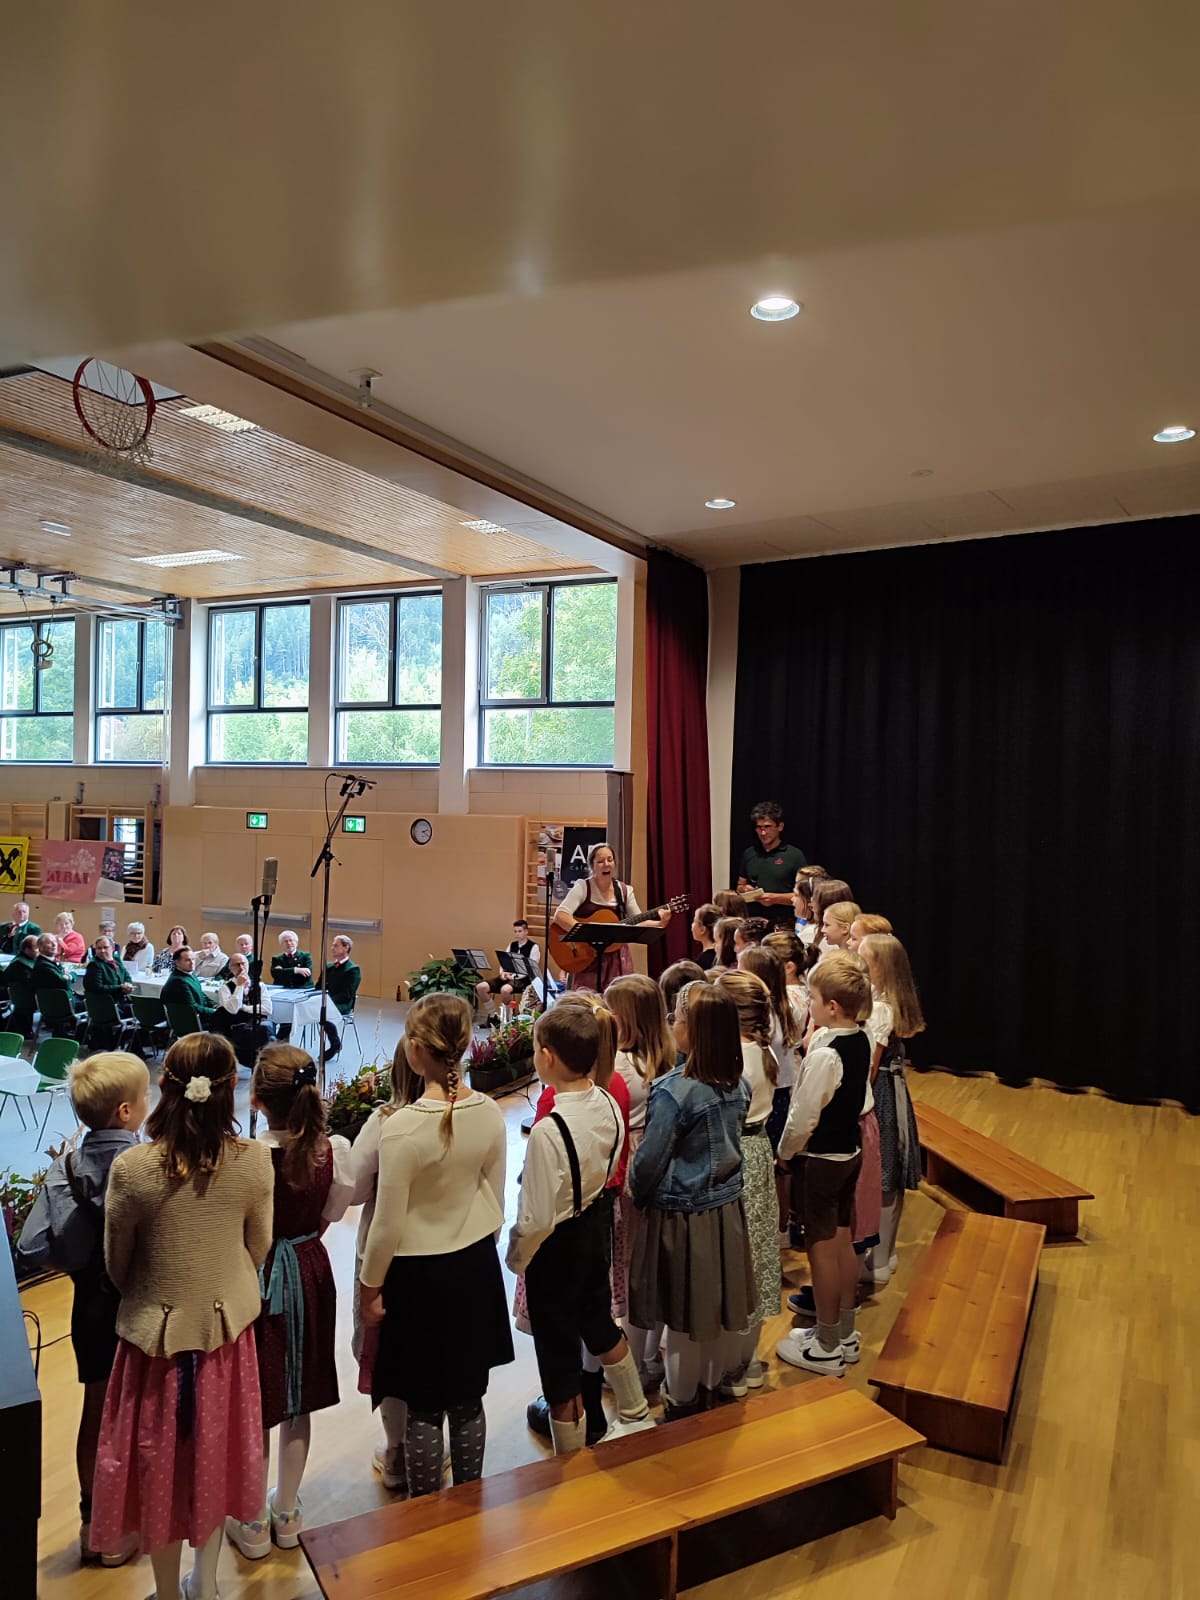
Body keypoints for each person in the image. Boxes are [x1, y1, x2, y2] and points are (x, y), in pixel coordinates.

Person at [88, 1033, 274, 1600]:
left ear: (165, 1087)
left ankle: (168, 1592)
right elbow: (258, 1247)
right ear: (231, 1088)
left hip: (154, 1344)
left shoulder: (132, 1168)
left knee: (160, 1471)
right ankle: (206, 1585)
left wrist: (160, 1292)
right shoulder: (254, 1161)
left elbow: (118, 1263)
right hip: (225, 1340)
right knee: (213, 1462)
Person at [360, 995, 512, 1496]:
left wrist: (369, 1289)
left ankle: (422, 1511)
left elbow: (386, 1225)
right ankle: (469, 1500)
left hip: (417, 1278)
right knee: (468, 1398)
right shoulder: (489, 1111)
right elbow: (494, 1197)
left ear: (415, 1050)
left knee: (423, 1403)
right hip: (474, 1268)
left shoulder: (402, 1126)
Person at [17, 1051, 150, 1568]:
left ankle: (94, 1525)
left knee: (96, 1407)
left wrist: (77, 1258)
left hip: (90, 1307)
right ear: (125, 1111)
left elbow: (31, 1246)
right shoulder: (147, 1162)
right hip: (143, 1302)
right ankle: (139, 1514)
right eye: (144, 1096)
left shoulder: (66, 1166)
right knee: (147, 1407)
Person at [226, 1044, 354, 1559]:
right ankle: (287, 1512)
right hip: (308, 1269)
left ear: (256, 1100)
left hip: (254, 1277)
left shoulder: (244, 1157)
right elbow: (328, 1217)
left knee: (259, 1398)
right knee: (298, 1396)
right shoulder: (332, 1151)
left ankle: (252, 1520)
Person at [507, 1003, 653, 1452]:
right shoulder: (607, 1100)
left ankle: (569, 1460)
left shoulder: (549, 1129)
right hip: (595, 1226)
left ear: (548, 1057)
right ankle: (636, 1412)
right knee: (598, 1320)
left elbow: (535, 1218)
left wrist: (517, 1257)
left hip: (556, 1248)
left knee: (558, 1360)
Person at [629, 982, 755, 1418]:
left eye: (677, 1020)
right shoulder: (740, 1085)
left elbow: (649, 1163)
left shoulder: (673, 1092)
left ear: (694, 1031)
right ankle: (710, 1390)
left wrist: (638, 1194)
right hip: (726, 1212)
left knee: (683, 1318)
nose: (672, 1026)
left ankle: (681, 1403)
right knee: (715, 1311)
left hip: (682, 1217)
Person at [775, 954, 872, 1378]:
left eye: (812, 998)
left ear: (832, 1006)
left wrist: (785, 1152)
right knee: (843, 1239)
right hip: (849, 1153)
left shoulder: (826, 1055)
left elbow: (803, 1115)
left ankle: (827, 1345)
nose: (809, 1004)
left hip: (821, 1161)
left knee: (820, 1249)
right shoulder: (860, 1038)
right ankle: (844, 1333)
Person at [712, 970, 782, 1396]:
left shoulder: (732, 1058)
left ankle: (730, 1368)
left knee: (735, 1261)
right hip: (757, 1152)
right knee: (755, 1257)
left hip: (735, 1155)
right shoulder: (762, 1048)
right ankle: (748, 1360)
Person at [605, 975, 675, 1386]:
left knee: (630, 1265)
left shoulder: (618, 1065)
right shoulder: (666, 1055)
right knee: (652, 1262)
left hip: (630, 1164)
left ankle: (631, 1360)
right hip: (661, 1158)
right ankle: (649, 1353)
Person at [859, 934, 925, 1285]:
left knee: (886, 1172)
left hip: (881, 1093)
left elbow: (870, 1067)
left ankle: (880, 1258)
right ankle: (884, 1253)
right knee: (887, 1172)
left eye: (864, 960)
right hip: (887, 1089)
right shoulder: (880, 1003)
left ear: (880, 968)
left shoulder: (881, 1009)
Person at [553, 843, 670, 992]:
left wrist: (660, 923)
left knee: (617, 997)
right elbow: (560, 915)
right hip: (588, 957)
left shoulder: (624, 890)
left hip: (617, 958)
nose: (606, 864)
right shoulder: (583, 887)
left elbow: (638, 921)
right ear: (592, 866)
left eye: (610, 860)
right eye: (600, 861)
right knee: (588, 1000)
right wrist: (586, 935)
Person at [736, 802, 808, 929]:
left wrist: (775, 898)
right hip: (753, 922)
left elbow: (805, 896)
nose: (763, 833)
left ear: (780, 826)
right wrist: (745, 890)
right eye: (759, 828)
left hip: (784, 923)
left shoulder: (794, 855)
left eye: (767, 827)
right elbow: (740, 886)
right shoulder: (749, 853)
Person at [211, 952, 274, 1066]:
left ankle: (264, 1062)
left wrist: (244, 1007)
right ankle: (256, 1063)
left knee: (266, 1030)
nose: (241, 967)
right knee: (249, 1034)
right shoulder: (225, 988)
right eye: (237, 964)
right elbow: (233, 1009)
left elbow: (267, 1009)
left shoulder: (259, 986)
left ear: (248, 965)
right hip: (236, 1023)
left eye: (243, 964)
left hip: (255, 1021)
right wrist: (239, 986)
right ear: (230, 968)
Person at [475, 919, 543, 1020]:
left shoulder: (534, 947)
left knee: (505, 990)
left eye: (519, 931)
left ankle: (507, 1017)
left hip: (523, 979)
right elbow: (504, 961)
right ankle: (493, 1015)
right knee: (481, 987)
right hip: (508, 976)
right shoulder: (512, 945)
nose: (517, 934)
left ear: (526, 932)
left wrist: (513, 976)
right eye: (515, 931)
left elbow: (530, 968)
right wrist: (502, 973)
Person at [83, 937, 136, 1043]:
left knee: (139, 1010)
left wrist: (127, 985)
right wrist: (120, 987)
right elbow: (97, 987)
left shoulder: (116, 960)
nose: (102, 951)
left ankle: (124, 1043)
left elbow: (126, 975)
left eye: (105, 947)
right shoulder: (94, 965)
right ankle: (116, 1042)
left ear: (112, 948)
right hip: (107, 1006)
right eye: (99, 948)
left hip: (118, 1001)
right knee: (139, 1013)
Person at [320, 934, 361, 1061]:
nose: (332, 948)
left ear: (345, 948)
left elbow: (347, 994)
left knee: (323, 1012)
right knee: (312, 1009)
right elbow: (319, 987)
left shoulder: (353, 970)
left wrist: (327, 1001)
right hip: (326, 1001)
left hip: (343, 1003)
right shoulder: (329, 967)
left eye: (336, 945)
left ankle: (335, 1044)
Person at [34, 933, 84, 1034]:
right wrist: (71, 975)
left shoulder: (49, 962)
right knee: (94, 1005)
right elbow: (64, 983)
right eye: (50, 943)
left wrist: (67, 976)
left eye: (55, 942)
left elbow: (64, 978)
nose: (54, 945)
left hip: (58, 1003)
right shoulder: (44, 965)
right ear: (40, 947)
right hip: (60, 1005)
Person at [161, 945, 217, 1025]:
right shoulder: (178, 981)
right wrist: (215, 1011)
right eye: (187, 960)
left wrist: (215, 1005)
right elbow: (193, 1008)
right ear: (177, 962)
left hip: (197, 1017)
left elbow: (200, 994)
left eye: (193, 959)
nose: (192, 962)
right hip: (190, 1022)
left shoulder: (190, 973)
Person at [691, 904, 720, 971]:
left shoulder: (702, 962)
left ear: (702, 929)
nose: (692, 925)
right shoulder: (721, 954)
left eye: (694, 921)